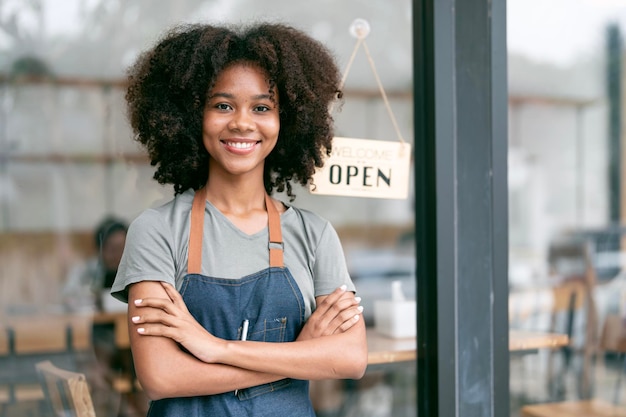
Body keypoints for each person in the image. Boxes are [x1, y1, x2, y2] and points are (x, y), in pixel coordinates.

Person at [111, 22, 368, 416]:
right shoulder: (157, 231)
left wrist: (216, 348)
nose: (243, 123)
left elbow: (350, 357)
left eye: (262, 107)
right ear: (191, 115)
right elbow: (162, 377)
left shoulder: (313, 235)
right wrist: (299, 354)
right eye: (223, 105)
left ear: (288, 120)